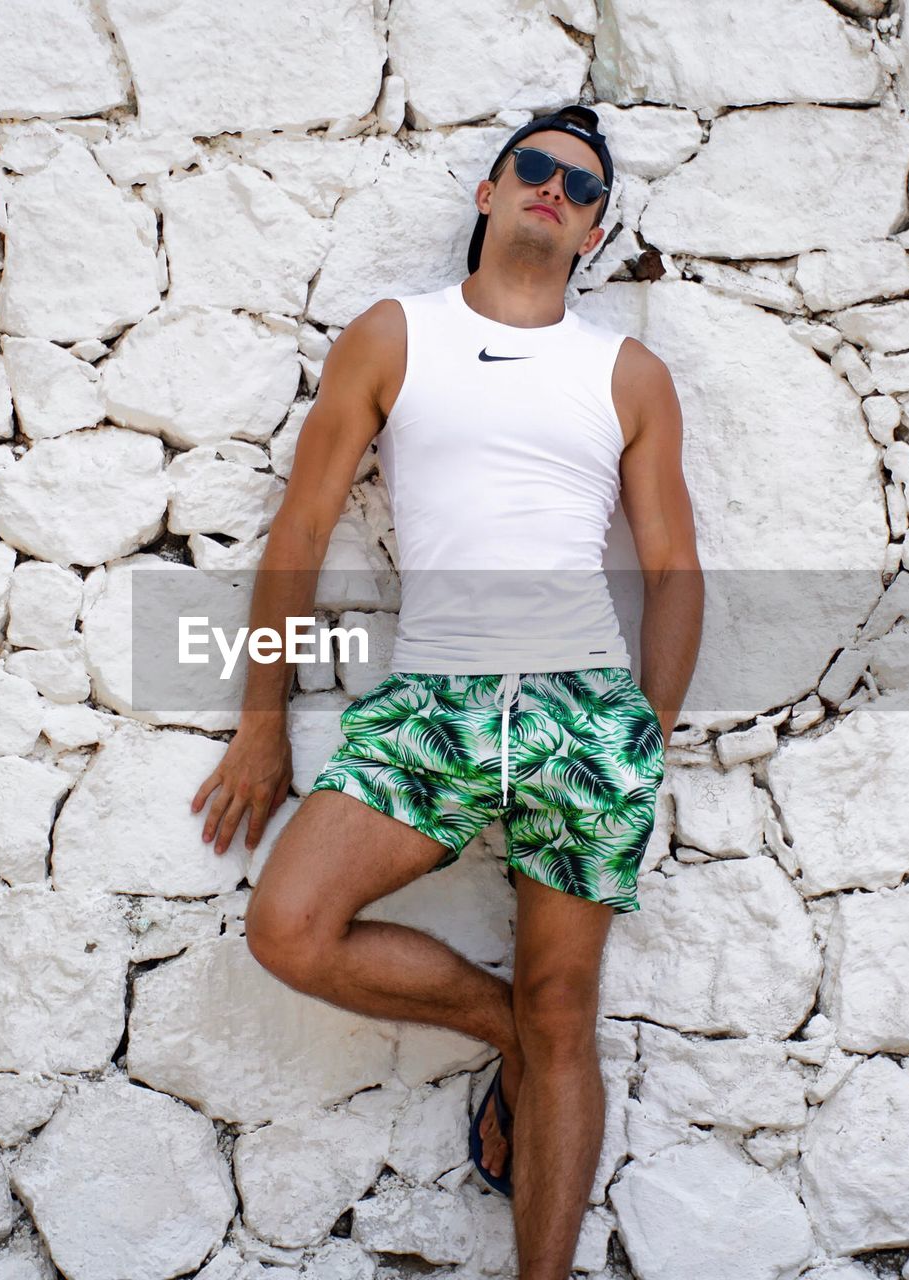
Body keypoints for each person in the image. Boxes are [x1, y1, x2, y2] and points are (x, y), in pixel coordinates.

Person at [191, 104, 704, 1279]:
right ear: (485, 192)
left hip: (582, 707)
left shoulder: (626, 374)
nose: (551, 192)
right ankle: (496, 1024)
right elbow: (300, 530)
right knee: (288, 925)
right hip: (435, 700)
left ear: (593, 231)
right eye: (531, 169)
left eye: (578, 188)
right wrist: (261, 721)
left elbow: (673, 569)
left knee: (567, 1003)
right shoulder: (393, 335)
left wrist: (645, 734)